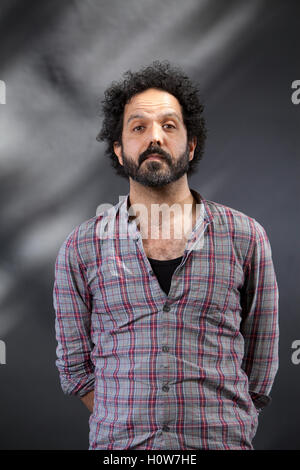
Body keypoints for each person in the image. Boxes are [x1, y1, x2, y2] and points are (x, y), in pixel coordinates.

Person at [53, 60, 279, 450]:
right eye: (138, 127)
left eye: (169, 126)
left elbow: (260, 367)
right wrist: (128, 416)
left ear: (190, 146)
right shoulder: (81, 248)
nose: (154, 138)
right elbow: (76, 370)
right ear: (120, 150)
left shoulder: (246, 237)